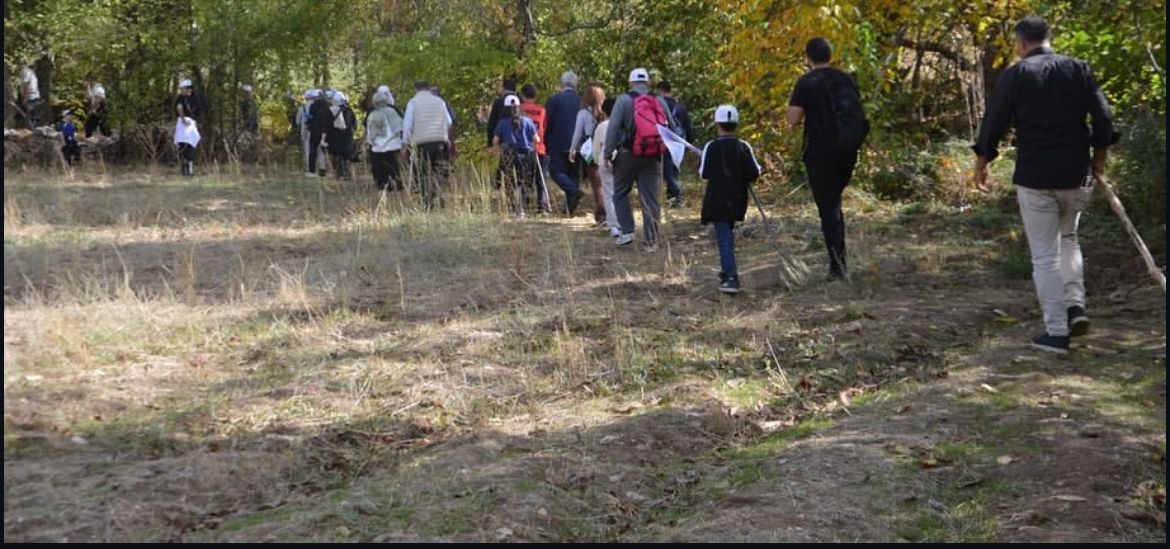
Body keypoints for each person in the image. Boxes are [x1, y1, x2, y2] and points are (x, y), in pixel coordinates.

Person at [973, 16, 1120, 354]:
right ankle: (1074, 307)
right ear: (1048, 39)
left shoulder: (1016, 74)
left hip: (1036, 175)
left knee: (1044, 255)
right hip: (1075, 172)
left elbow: (994, 120)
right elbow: (1103, 115)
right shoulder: (1078, 68)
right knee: (1068, 240)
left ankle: (1056, 332)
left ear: (1021, 44)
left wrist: (983, 161)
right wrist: (1099, 154)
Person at [787, 37, 865, 279]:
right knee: (834, 203)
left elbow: (793, 119)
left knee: (828, 207)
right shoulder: (846, 78)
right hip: (848, 149)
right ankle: (839, 259)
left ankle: (838, 266)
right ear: (830, 55)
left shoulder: (806, 82)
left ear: (808, 57)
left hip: (820, 151)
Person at [603, 67, 681, 252]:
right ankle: (651, 241)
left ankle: (628, 231)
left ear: (630, 83)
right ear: (647, 82)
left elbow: (613, 128)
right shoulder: (659, 100)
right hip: (653, 156)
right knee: (650, 199)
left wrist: (607, 153)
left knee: (620, 192)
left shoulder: (623, 100)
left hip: (627, 155)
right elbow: (670, 126)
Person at [700, 105, 762, 294]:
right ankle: (726, 270)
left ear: (717, 124)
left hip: (717, 199)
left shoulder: (711, 146)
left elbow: (704, 173)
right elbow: (754, 172)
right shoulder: (743, 146)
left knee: (724, 237)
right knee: (726, 234)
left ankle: (731, 276)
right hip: (737, 198)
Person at [403, 80, 454, 209]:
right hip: (440, 141)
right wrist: (446, 136)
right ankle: (439, 197)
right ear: (428, 88)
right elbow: (448, 121)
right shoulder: (440, 101)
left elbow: (407, 125)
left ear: (416, 89)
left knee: (424, 172)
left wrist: (405, 143)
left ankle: (428, 202)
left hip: (422, 143)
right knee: (438, 171)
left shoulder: (413, 103)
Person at [492, 94, 540, 217]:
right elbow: (537, 139)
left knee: (510, 182)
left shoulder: (502, 122)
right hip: (525, 156)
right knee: (522, 181)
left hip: (508, 155)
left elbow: (495, 140)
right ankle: (522, 209)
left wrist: (495, 149)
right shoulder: (528, 121)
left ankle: (513, 208)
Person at [545, 71, 584, 214]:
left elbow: (547, 123)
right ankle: (569, 208)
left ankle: (574, 192)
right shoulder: (582, 101)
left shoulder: (554, 99)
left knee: (556, 171)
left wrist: (546, 141)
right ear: (576, 84)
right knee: (573, 173)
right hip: (578, 143)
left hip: (559, 142)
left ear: (562, 83)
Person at [569, 85, 607, 228]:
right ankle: (612, 215)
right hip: (607, 149)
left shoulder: (583, 113)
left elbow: (578, 133)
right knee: (608, 184)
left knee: (597, 185)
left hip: (592, 152)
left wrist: (573, 149)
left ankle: (601, 216)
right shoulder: (606, 112)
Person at [656, 81, 694, 208]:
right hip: (679, 141)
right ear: (670, 90)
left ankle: (677, 196)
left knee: (667, 172)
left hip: (665, 140)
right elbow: (688, 126)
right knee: (674, 170)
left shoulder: (658, 105)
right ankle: (671, 198)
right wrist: (689, 143)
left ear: (660, 90)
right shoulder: (680, 106)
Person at [519, 84, 552, 214]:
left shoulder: (519, 110)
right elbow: (544, 128)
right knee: (541, 179)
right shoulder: (542, 110)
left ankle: (523, 205)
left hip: (524, 148)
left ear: (522, 95)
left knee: (525, 178)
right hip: (540, 147)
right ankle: (542, 207)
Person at [366, 86, 405, 191]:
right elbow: (400, 126)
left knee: (379, 166)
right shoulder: (393, 111)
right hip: (394, 144)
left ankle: (384, 184)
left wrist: (370, 141)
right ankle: (396, 180)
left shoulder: (373, 115)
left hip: (379, 146)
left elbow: (372, 132)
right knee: (393, 163)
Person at [593, 97, 620, 238]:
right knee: (621, 193)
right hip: (622, 161)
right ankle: (623, 222)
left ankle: (613, 225)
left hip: (605, 161)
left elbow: (596, 148)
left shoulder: (602, 126)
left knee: (609, 194)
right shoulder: (624, 125)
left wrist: (598, 160)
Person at [174, 79, 202, 176]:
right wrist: (183, 119)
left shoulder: (195, 97)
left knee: (190, 147)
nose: (181, 90)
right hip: (183, 123)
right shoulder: (181, 98)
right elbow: (179, 108)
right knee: (184, 146)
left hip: (191, 123)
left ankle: (189, 170)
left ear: (188, 89)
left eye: (183, 88)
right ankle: (187, 170)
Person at [327, 90, 356, 180]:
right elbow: (354, 124)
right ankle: (348, 173)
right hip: (347, 136)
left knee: (336, 155)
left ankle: (338, 173)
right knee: (347, 156)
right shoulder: (349, 110)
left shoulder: (331, 110)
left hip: (334, 137)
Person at [308, 88, 334, 178]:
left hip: (315, 131)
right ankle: (325, 170)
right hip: (326, 132)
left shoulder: (312, 106)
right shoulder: (328, 106)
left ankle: (311, 170)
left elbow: (310, 118)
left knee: (313, 151)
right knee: (325, 151)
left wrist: (310, 127)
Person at [486, 77, 517, 149]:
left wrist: (490, 143)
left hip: (501, 139)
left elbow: (492, 122)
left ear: (503, 88)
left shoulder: (498, 102)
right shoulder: (519, 101)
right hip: (519, 140)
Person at [18, 64, 41, 128]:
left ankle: (33, 126)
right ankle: (29, 125)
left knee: (31, 111)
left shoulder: (27, 72)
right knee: (26, 111)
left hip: (32, 95)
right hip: (28, 95)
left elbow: (27, 86)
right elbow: (22, 86)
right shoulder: (23, 72)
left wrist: (25, 97)